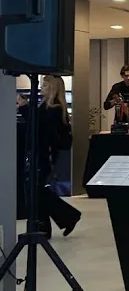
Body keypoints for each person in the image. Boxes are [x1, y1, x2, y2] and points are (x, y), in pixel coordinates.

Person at [18, 74, 82, 237]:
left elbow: (38, 127)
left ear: (53, 88)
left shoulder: (54, 109)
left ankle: (65, 217)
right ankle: (47, 225)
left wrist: (25, 108)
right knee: (37, 189)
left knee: (38, 189)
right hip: (42, 153)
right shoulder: (47, 107)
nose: (42, 88)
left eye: (45, 85)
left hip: (46, 154)